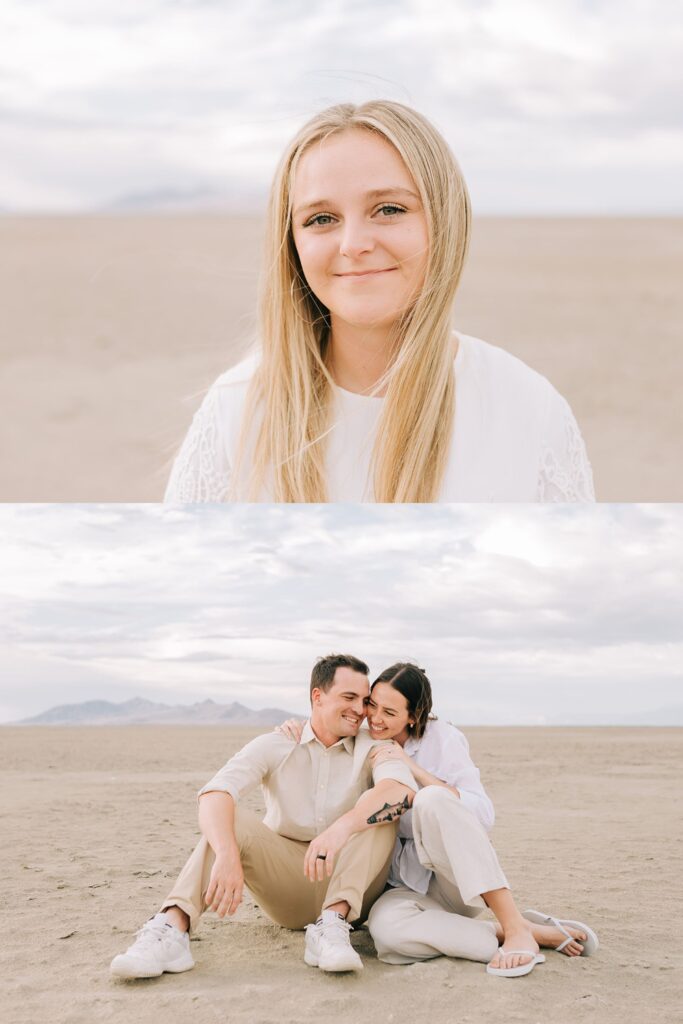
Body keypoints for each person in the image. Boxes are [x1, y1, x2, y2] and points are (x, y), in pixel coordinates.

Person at [164, 99, 594, 504]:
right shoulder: (234, 411)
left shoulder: (527, 409)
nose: (353, 244)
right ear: (290, 244)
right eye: (321, 219)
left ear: (446, 221)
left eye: (388, 209)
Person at [278, 663, 599, 978]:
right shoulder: (364, 739)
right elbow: (326, 731)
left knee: (433, 799)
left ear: (413, 716)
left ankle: (515, 928)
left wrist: (413, 772)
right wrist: (295, 727)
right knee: (387, 936)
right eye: (372, 705)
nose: (375, 718)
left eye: (389, 713)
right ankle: (516, 932)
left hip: (456, 880)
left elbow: (483, 815)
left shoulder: (443, 739)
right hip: (403, 883)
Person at [110, 654, 417, 981]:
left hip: (353, 889)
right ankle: (171, 929)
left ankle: (331, 927)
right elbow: (216, 793)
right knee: (231, 819)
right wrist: (227, 854)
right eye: (349, 698)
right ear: (317, 696)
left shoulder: (373, 746)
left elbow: (401, 792)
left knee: (380, 809)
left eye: (364, 700)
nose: (360, 709)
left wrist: (341, 828)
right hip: (287, 882)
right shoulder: (277, 743)